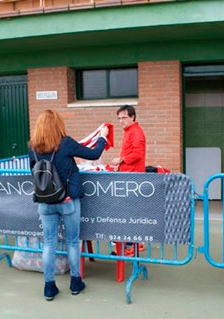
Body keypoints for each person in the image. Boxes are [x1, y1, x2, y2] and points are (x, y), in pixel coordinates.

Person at [28, 109, 108, 301]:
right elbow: (94, 154)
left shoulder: (32, 147)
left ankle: (49, 287)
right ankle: (75, 282)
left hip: (45, 201)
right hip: (67, 200)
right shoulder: (66, 143)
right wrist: (103, 138)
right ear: (58, 124)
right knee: (72, 242)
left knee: (49, 243)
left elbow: (33, 169)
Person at [110, 105, 146, 256]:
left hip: (133, 178)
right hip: (128, 177)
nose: (121, 121)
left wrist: (121, 159)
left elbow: (138, 153)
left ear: (132, 117)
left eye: (124, 117)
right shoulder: (129, 132)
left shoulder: (136, 132)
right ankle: (130, 244)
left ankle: (133, 245)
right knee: (128, 212)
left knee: (130, 212)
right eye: (119, 118)